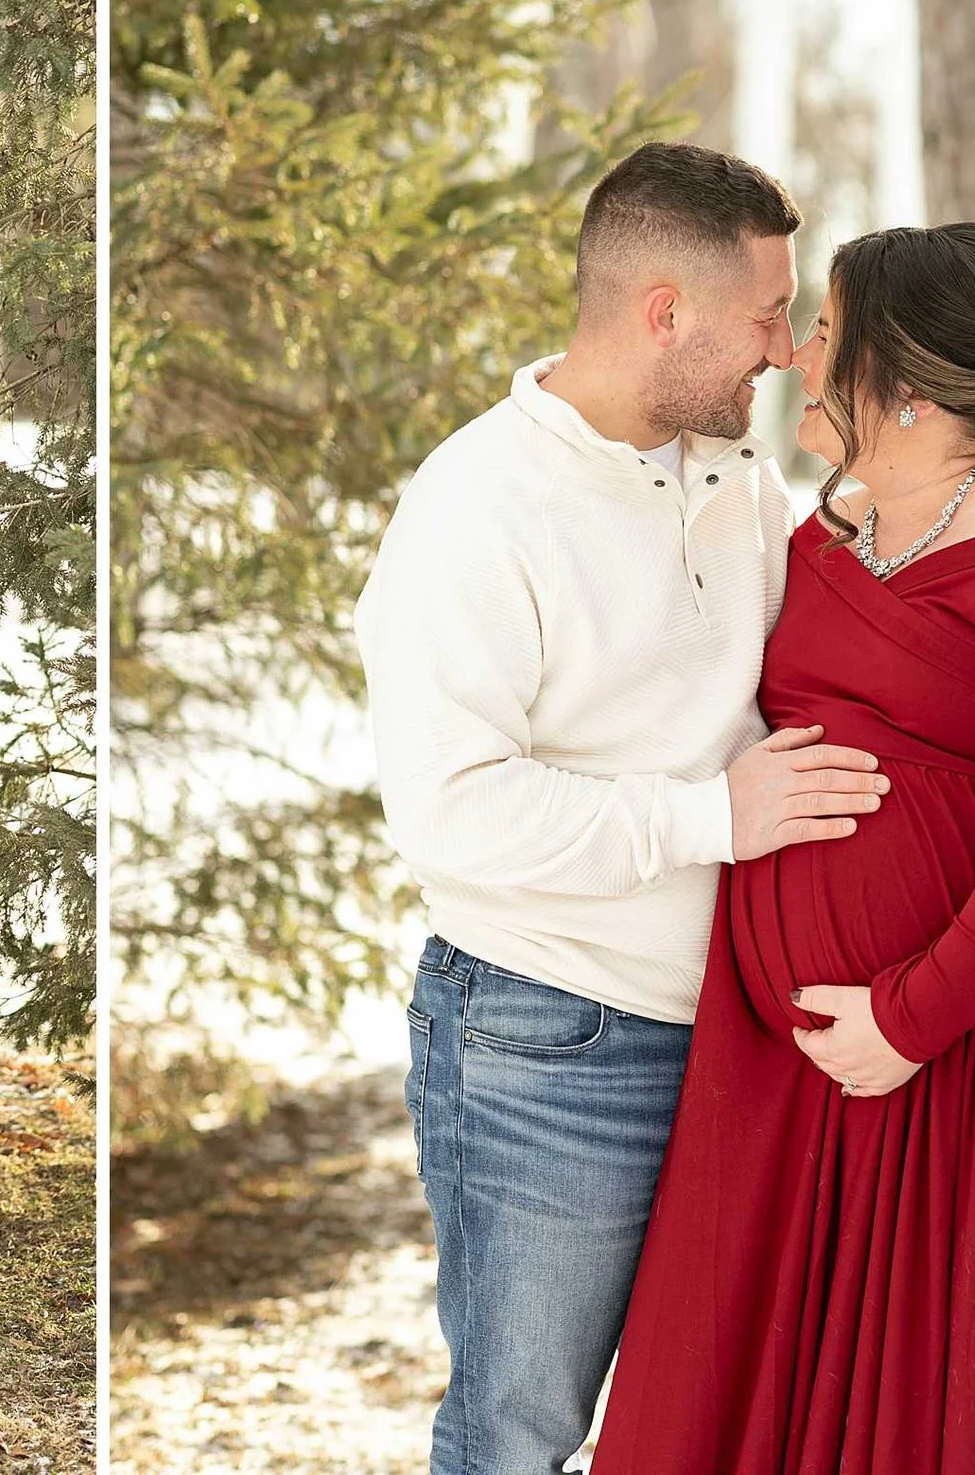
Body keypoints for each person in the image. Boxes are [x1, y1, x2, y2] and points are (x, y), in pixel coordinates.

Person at [592, 224, 975, 1472]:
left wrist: (912, 1016)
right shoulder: (829, 533)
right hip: (799, 1065)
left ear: (909, 376)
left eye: (825, 331)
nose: (796, 357)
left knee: (961, 1389)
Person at [353, 141, 889, 1475]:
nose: (787, 350)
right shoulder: (478, 504)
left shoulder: (737, 476)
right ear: (664, 311)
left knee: (702, 1431)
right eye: (767, 314)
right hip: (551, 1038)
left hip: (742, 1034)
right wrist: (710, 819)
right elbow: (451, 811)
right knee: (519, 1435)